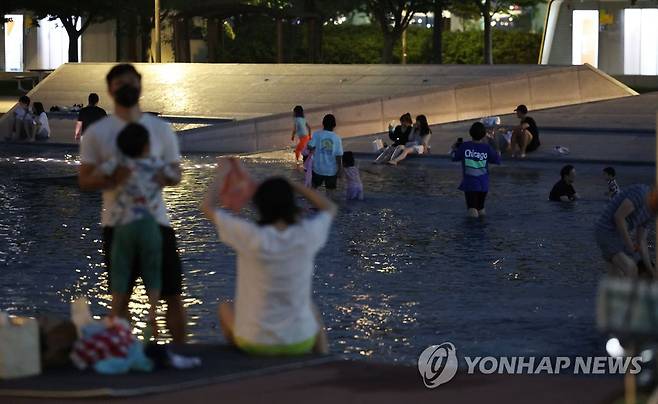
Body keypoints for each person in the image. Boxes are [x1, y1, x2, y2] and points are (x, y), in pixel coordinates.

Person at [78, 64, 186, 344]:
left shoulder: (161, 130)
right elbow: (85, 180)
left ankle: (181, 354)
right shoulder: (97, 134)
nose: (126, 88)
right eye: (119, 83)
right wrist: (113, 178)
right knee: (120, 295)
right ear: (110, 89)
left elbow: (176, 173)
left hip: (158, 223)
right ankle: (123, 353)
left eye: (131, 82)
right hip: (116, 224)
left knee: (173, 294)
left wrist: (162, 176)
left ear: (140, 84)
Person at [200, 163, 337, 356]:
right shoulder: (306, 234)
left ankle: (242, 361)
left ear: (259, 206)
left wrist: (222, 175)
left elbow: (207, 207)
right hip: (300, 341)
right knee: (311, 307)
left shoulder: (250, 236)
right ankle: (323, 358)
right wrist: (293, 184)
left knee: (225, 307)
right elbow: (329, 208)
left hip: (255, 343)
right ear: (292, 204)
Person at [94, 123, 174, 337]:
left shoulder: (118, 163)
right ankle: (153, 314)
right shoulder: (155, 162)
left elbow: (96, 176)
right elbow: (174, 176)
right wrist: (162, 179)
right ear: (147, 145)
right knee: (153, 271)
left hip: (123, 227)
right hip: (149, 225)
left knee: (121, 271)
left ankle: (114, 314)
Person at [595, 184, 658, 277]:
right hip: (606, 230)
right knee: (630, 268)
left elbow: (641, 241)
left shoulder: (652, 212)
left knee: (617, 276)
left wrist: (651, 271)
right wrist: (630, 246)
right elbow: (619, 217)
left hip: (619, 235)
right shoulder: (641, 194)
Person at [451, 122, 501, 218]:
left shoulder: (465, 146)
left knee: (472, 209)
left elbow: (454, 157)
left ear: (470, 133)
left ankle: (473, 231)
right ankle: (482, 228)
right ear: (483, 135)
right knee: (481, 208)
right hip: (483, 185)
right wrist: (496, 147)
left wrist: (453, 148)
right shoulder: (486, 148)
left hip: (470, 184)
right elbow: (497, 160)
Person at [307, 114, 343, 191]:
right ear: (334, 125)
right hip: (331, 171)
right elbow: (338, 155)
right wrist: (340, 169)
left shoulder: (317, 134)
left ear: (323, 123)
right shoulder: (337, 138)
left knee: (313, 189)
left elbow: (310, 146)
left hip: (318, 169)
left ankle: (311, 202)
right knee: (330, 192)